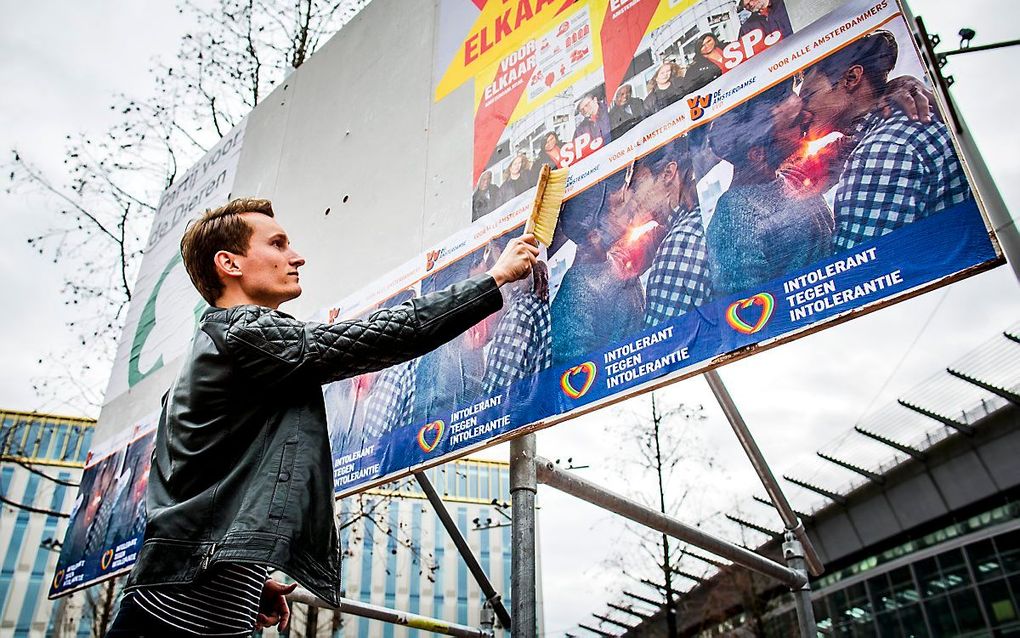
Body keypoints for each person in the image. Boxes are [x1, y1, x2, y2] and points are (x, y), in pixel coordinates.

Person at [106, 197, 539, 636]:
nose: (297, 256)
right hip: (173, 617)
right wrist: (493, 278)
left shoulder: (216, 353)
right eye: (277, 244)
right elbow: (384, 335)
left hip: (191, 606)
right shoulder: (244, 332)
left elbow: (200, 491)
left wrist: (242, 579)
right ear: (229, 264)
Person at [798, 30, 971, 251]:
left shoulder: (882, 150)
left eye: (807, 97)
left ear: (851, 79)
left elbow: (861, 268)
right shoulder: (895, 130)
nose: (800, 111)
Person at [706, 82, 834, 297]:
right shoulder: (734, 214)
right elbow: (748, 309)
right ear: (758, 155)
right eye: (794, 121)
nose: (808, 117)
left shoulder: (791, 178)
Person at [632, 137, 715, 327]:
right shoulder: (694, 221)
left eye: (637, 185)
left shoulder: (680, 241)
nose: (633, 198)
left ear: (668, 173)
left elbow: (661, 345)